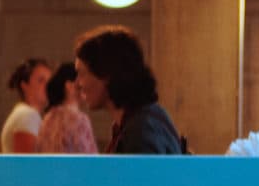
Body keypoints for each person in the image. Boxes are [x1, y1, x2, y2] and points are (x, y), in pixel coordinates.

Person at [73, 25, 187, 154]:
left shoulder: (141, 130)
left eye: (82, 73)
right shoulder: (139, 122)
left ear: (106, 74)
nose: (77, 84)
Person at [38, 60, 98, 155]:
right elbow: (90, 159)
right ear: (69, 86)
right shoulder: (79, 120)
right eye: (80, 78)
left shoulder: (47, 119)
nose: (85, 84)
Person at [0, 57, 50, 153]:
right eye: (41, 80)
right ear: (25, 86)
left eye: (49, 81)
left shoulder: (27, 114)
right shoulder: (27, 116)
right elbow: (25, 161)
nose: (47, 85)